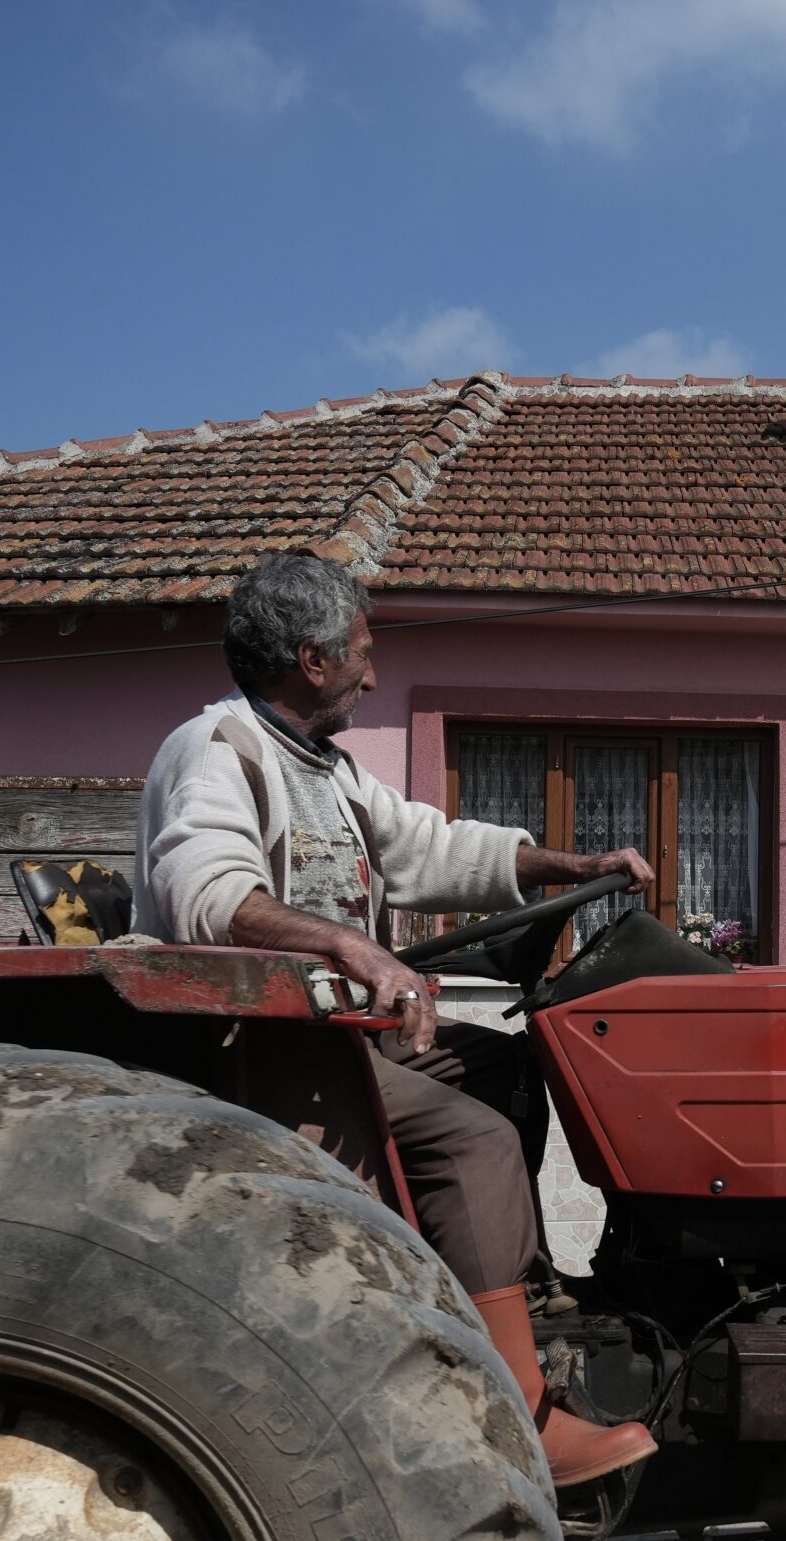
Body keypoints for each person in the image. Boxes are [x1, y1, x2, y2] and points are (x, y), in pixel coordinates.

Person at [136, 549, 657, 1489]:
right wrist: (352, 947)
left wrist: (570, 866)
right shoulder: (217, 751)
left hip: (344, 1036)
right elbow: (204, 896)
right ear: (312, 659)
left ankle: (503, 1299)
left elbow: (426, 846)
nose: (373, 674)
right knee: (477, 1140)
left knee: (511, 1061)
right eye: (362, 654)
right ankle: (515, 1419)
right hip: (270, 1046)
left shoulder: (326, 770)